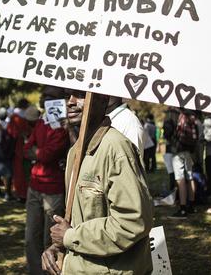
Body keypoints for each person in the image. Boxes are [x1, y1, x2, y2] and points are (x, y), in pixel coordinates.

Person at [41, 90, 153, 275]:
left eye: (80, 95)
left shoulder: (116, 148)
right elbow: (77, 219)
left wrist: (70, 237)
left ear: (103, 99)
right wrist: (58, 247)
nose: (70, 102)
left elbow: (132, 221)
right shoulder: (74, 152)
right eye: (68, 95)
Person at [23, 86, 69, 275]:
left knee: (49, 239)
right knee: (31, 236)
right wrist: (38, 153)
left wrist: (37, 153)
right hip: (34, 186)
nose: (44, 99)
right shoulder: (42, 121)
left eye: (50, 96)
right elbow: (26, 148)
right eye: (44, 95)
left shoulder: (63, 125)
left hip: (53, 188)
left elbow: (48, 155)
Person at [169, 108, 199, 219]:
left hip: (179, 152)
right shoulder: (193, 117)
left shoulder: (181, 116)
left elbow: (175, 134)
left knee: (180, 179)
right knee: (190, 177)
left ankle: (182, 209)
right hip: (189, 151)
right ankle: (191, 205)